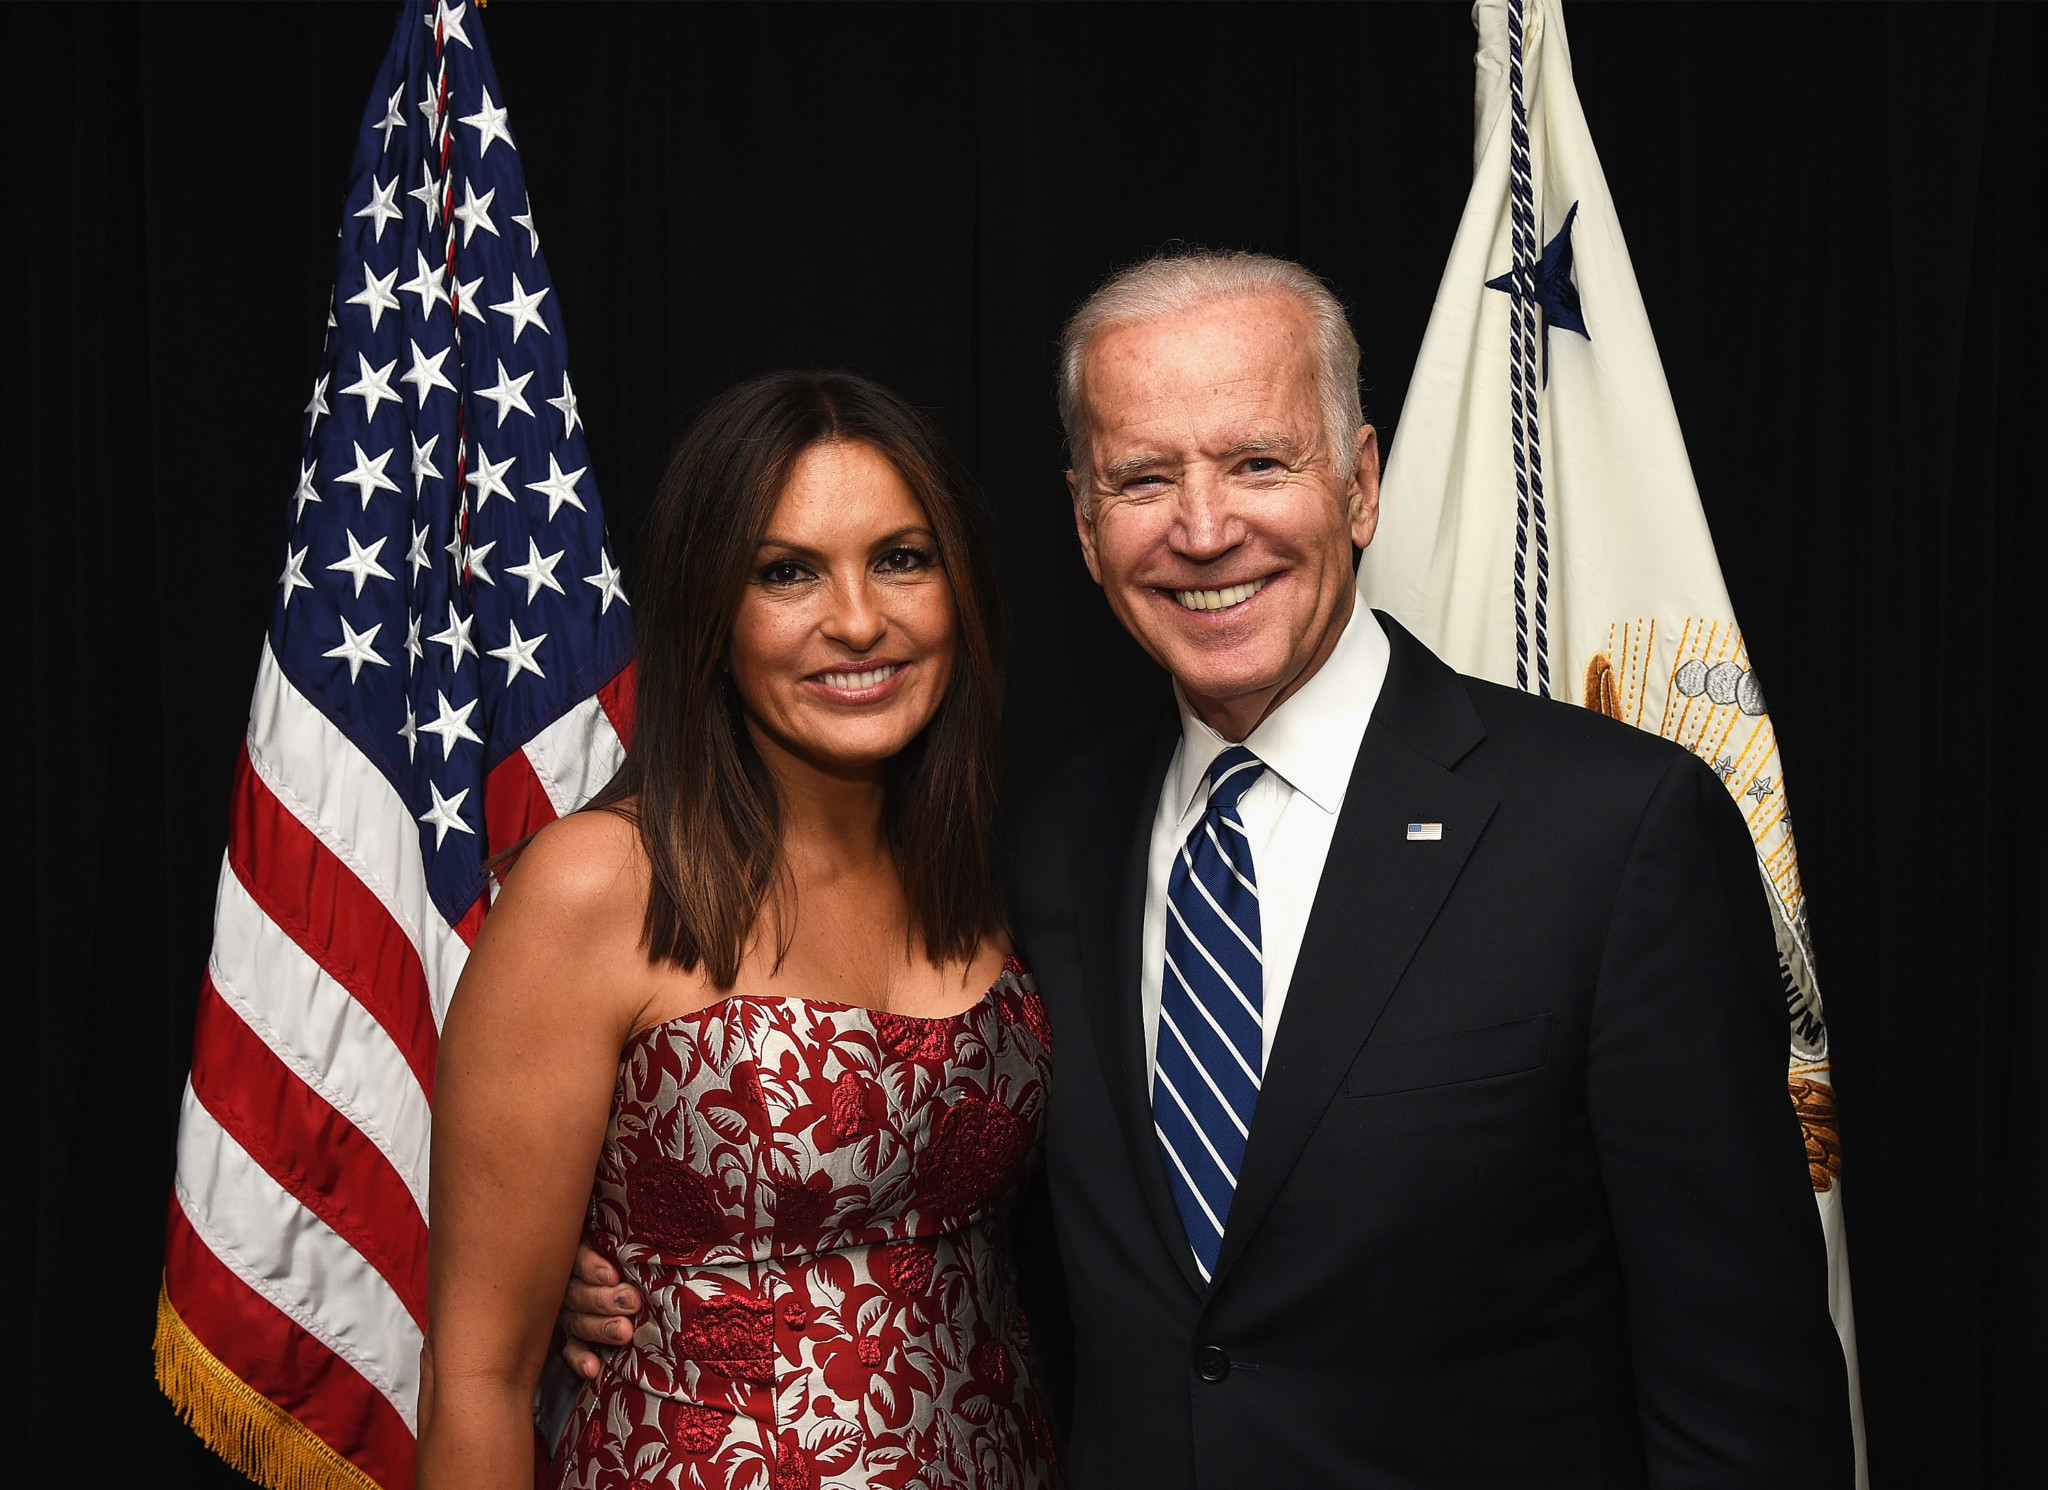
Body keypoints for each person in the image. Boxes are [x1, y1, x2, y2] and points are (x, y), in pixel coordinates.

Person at [563, 252, 1856, 1485]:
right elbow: (952, 1185)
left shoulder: (1614, 831)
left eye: (1257, 461)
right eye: (1141, 478)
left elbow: (1744, 1388)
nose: (1203, 526)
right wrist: (639, 1236)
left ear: (1359, 481)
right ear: (1083, 523)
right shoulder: (1044, 844)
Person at [418, 371, 1057, 1490]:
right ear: (711, 617)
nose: (857, 618)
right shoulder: (597, 884)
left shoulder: (996, 867)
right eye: (786, 571)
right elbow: (476, 1375)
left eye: (901, 557)